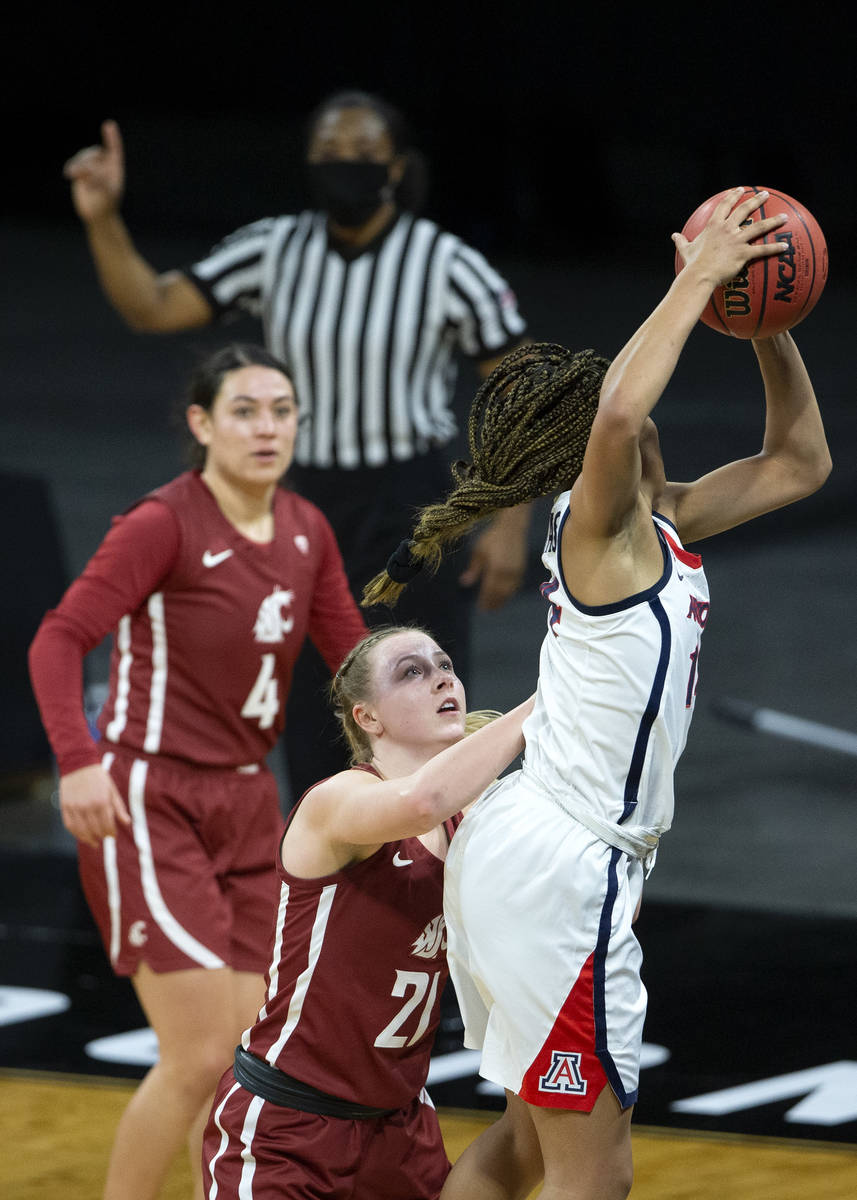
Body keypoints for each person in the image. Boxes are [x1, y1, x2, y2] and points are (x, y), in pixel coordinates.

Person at [361, 187, 832, 1200]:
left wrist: (763, 323)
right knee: (594, 1176)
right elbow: (620, 404)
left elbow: (801, 462)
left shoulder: (660, 525)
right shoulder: (598, 533)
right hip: (561, 870)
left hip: (533, 852)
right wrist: (700, 277)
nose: (628, 413)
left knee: (525, 1149)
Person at [62, 90, 531, 803]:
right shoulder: (272, 247)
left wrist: (512, 521)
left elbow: (525, 391)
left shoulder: (444, 263)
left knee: (424, 707)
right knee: (318, 707)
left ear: (397, 167)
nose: (345, 168)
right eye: (329, 155)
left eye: (363, 156)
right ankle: (323, 888)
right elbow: (151, 305)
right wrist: (101, 220)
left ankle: (439, 887)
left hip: (412, 505)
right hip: (300, 504)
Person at [27, 343, 368, 1200]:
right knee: (198, 1056)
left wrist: (435, 739)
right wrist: (77, 760)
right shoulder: (164, 523)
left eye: (281, 410)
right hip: (151, 798)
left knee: (249, 1061)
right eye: (245, 411)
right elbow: (58, 639)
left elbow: (353, 661)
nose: (266, 428)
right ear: (202, 424)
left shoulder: (304, 527)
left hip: (251, 801)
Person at [200, 623, 533, 1199]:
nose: (442, 678)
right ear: (367, 718)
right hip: (289, 1125)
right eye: (412, 672)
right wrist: (550, 698)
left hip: (399, 1130)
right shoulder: (337, 800)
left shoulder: (473, 818)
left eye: (444, 664)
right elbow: (420, 801)